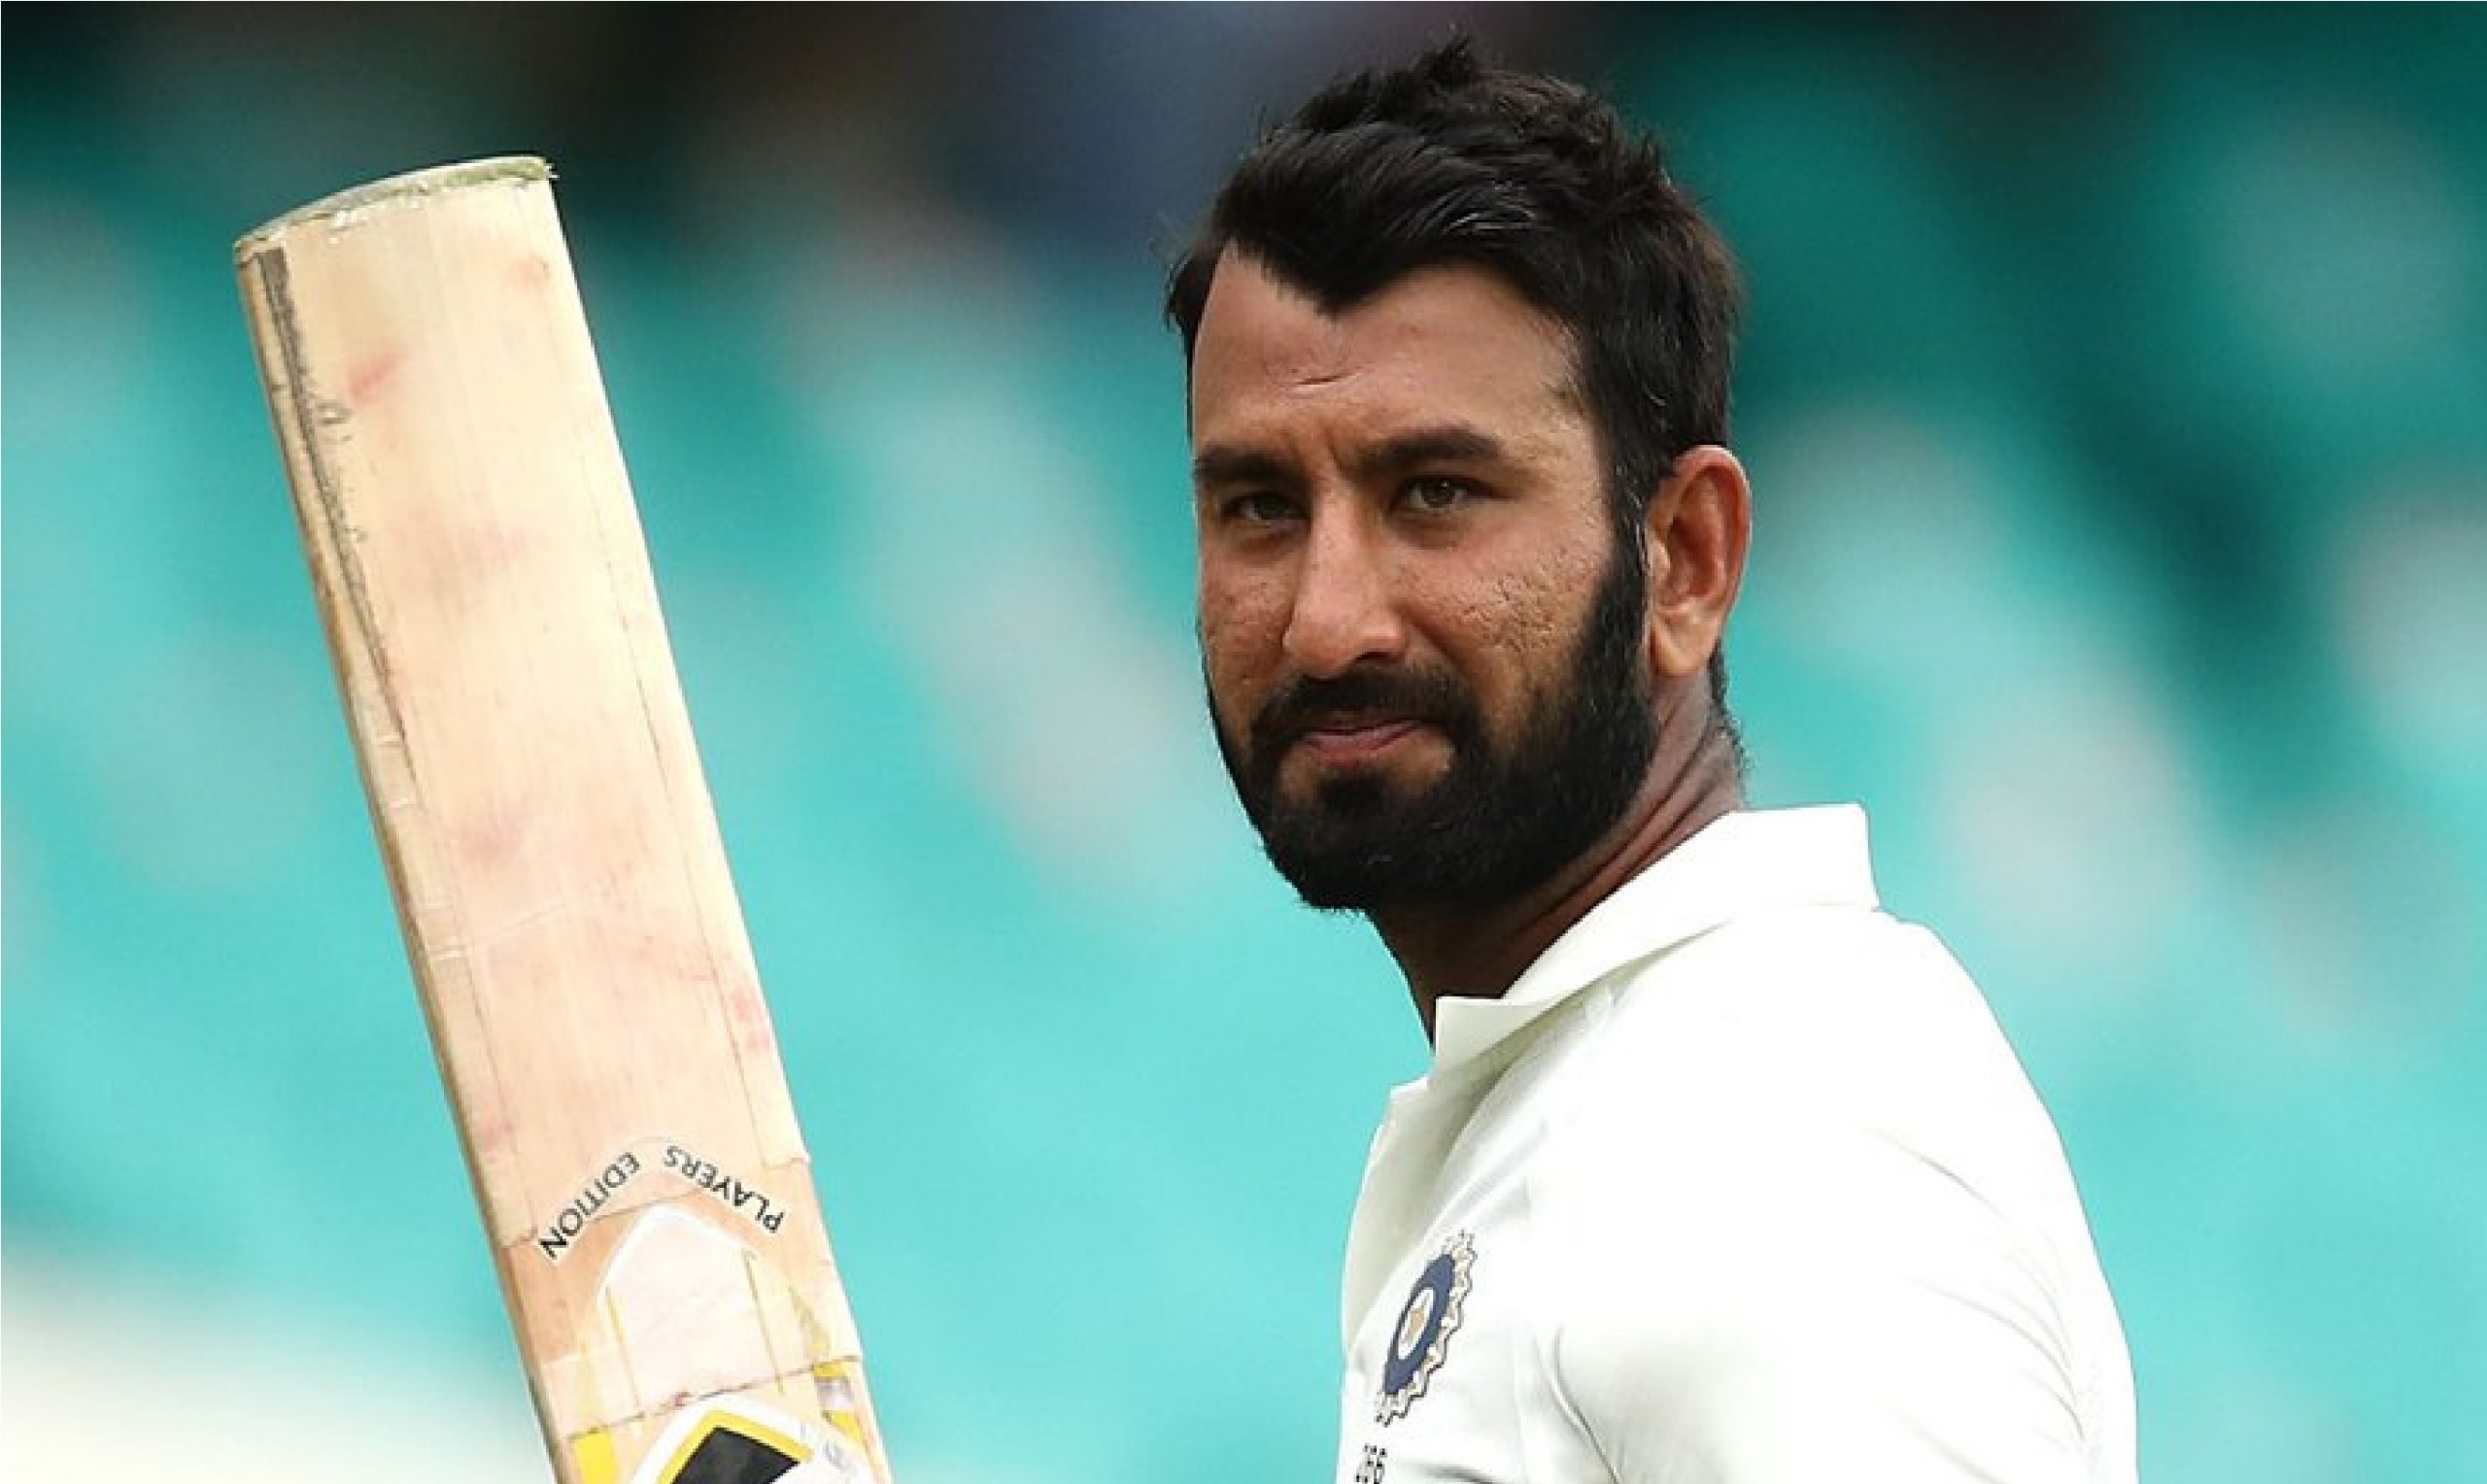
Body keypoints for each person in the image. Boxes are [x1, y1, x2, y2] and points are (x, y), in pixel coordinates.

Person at [1164, 38, 2137, 1484]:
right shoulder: (1637, 1103)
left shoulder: (1765, 1153)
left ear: (1685, 557)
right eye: (1259, 507)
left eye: (1437, 492)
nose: (1327, 620)